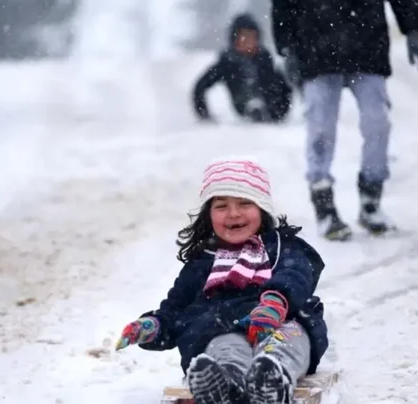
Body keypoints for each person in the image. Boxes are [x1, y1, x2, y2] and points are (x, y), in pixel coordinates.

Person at [114, 158, 329, 404]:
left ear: (263, 209)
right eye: (221, 206)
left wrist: (275, 301)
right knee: (225, 349)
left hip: (281, 322)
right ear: (209, 214)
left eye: (245, 203)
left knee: (284, 344)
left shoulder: (282, 246)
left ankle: (271, 382)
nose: (233, 213)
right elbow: (175, 309)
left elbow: (296, 275)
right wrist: (152, 326)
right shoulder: (202, 261)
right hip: (222, 328)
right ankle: (225, 385)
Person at [270, 0, 418, 240]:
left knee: (377, 123)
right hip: (315, 50)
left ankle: (371, 200)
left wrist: (414, 31)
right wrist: (287, 47)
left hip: (367, 47)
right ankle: (324, 205)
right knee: (320, 128)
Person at [192, 14, 293, 124]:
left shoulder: (265, 58)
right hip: (242, 105)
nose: (248, 41)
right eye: (244, 37)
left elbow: (285, 88)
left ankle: (260, 107)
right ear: (235, 39)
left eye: (252, 37)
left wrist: (281, 111)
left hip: (272, 110)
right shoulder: (227, 62)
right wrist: (204, 115)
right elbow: (200, 87)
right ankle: (253, 106)